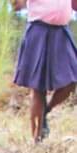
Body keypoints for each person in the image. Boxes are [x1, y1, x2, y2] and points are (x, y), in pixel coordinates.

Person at [12, 0, 77, 142]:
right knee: (38, 88)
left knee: (72, 81)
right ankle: (37, 139)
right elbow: (17, 5)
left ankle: (46, 111)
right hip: (38, 31)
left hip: (61, 32)